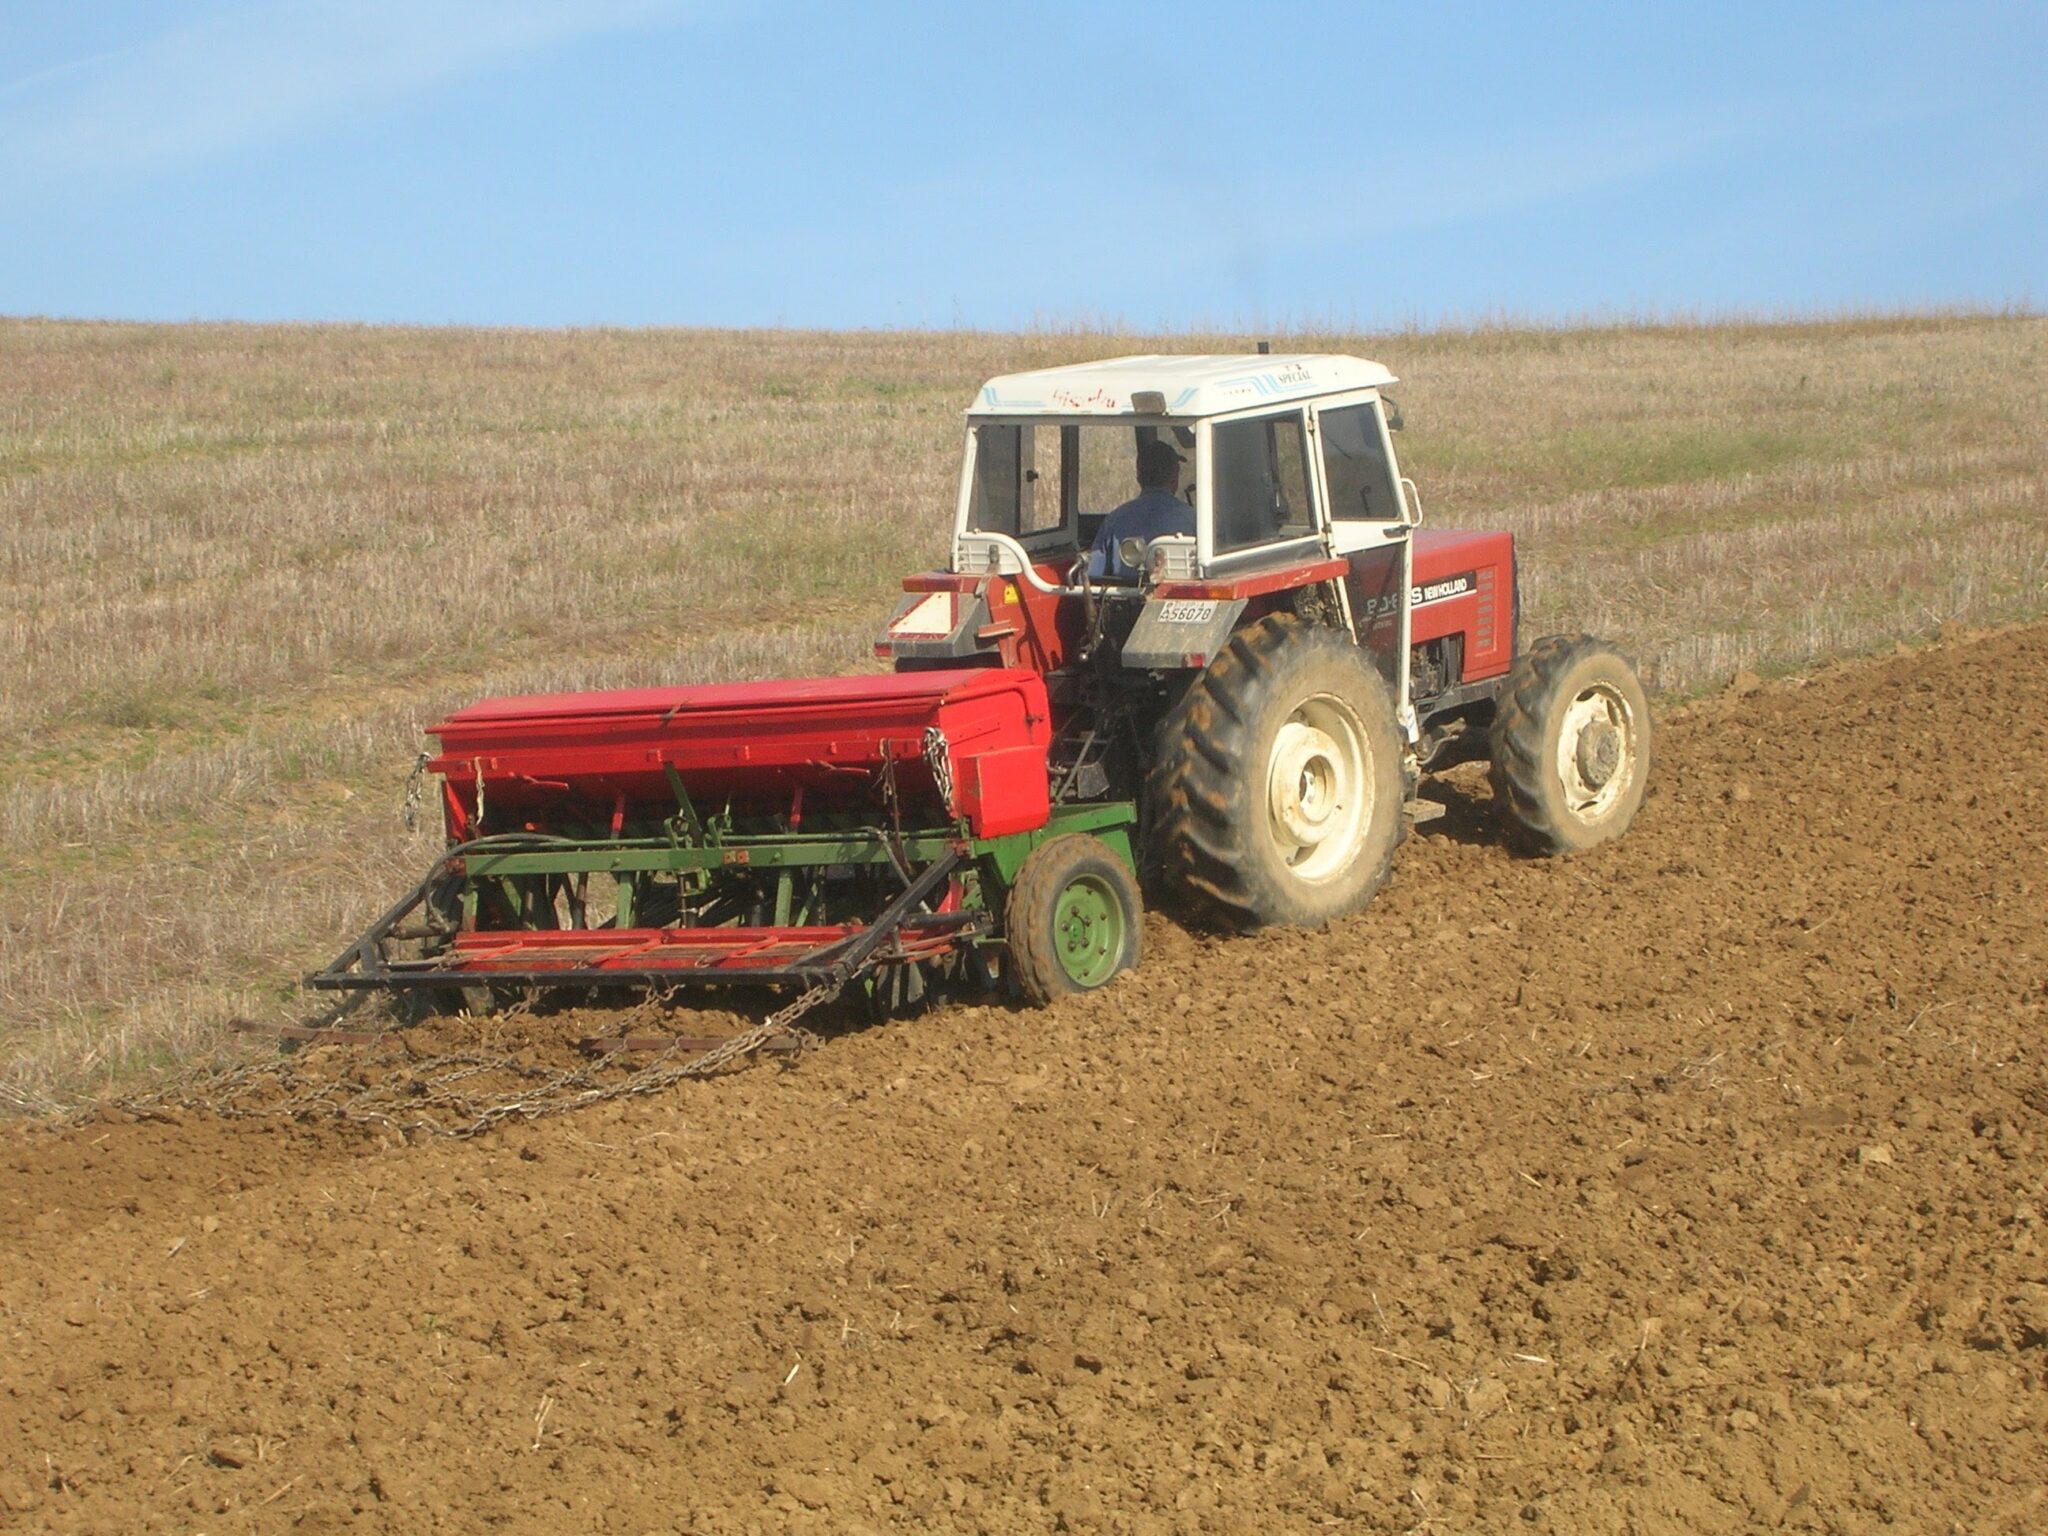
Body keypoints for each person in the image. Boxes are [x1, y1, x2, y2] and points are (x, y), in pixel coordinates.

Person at [1090, 438, 1194, 579]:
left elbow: (1093, 576)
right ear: (1175, 479)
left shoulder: (1113, 521)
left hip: (1124, 600)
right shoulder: (1194, 520)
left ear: (1138, 478)